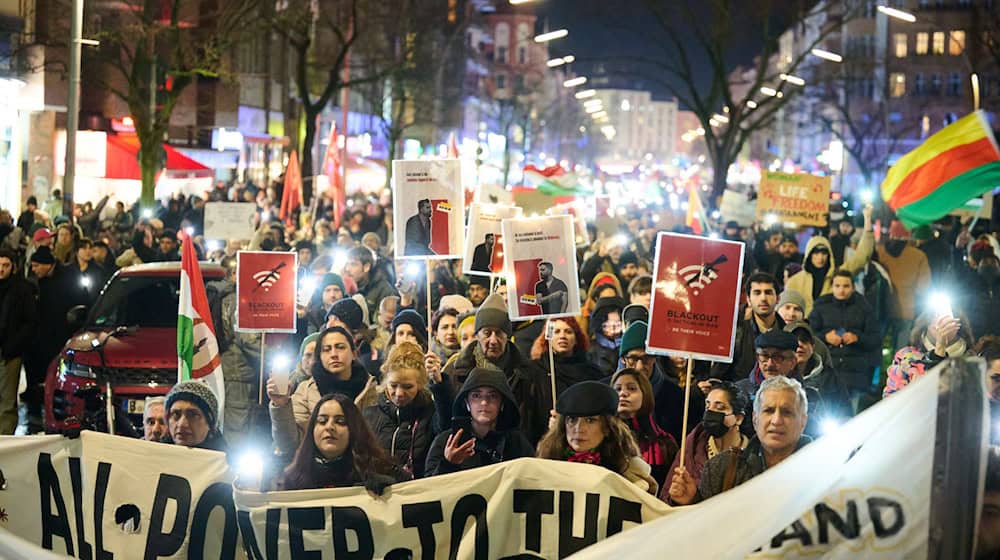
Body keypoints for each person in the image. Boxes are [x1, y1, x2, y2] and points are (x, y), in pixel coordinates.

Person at [668, 376, 811, 505]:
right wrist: (692, 501)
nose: (776, 420)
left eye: (787, 412)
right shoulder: (721, 467)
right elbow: (706, 525)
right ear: (755, 419)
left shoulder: (824, 472)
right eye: (769, 410)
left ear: (803, 421)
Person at [442, 294, 551, 443]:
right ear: (477, 335)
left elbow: (539, 421)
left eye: (499, 333)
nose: (493, 340)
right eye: (487, 333)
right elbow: (445, 421)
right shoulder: (456, 371)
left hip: (515, 452)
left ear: (507, 335)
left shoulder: (528, 373)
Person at [268, 326, 377, 457]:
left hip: (361, 469)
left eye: (340, 347)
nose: (334, 354)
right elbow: (290, 444)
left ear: (354, 354)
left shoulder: (371, 389)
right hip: (316, 469)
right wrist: (281, 405)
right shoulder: (306, 391)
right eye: (327, 349)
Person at [537, 380, 658, 494]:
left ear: (607, 428)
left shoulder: (629, 471)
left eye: (590, 420)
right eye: (572, 420)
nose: (579, 429)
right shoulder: (547, 463)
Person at [275, 393, 400, 493]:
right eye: (322, 421)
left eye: (340, 421)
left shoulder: (383, 470)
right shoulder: (292, 478)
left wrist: (391, 492)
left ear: (354, 429)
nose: (329, 427)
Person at [424, 367, 535, 475]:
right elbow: (429, 488)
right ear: (467, 402)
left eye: (493, 396)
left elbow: (534, 480)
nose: (484, 402)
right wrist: (449, 463)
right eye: (476, 396)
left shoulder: (517, 443)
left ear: (502, 403)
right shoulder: (447, 441)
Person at [362, 342, 442, 479]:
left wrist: (440, 386)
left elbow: (445, 424)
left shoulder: (431, 414)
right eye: (393, 385)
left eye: (407, 387)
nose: (399, 393)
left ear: (420, 384)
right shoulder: (369, 416)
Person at [662, 381, 749, 503]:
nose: (710, 413)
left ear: (738, 418)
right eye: (708, 407)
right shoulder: (692, 446)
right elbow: (666, 495)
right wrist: (679, 499)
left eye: (720, 408)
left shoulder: (752, 456)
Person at [807, 269, 880, 408]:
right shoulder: (821, 307)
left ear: (853, 287)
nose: (841, 290)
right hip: (827, 370)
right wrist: (825, 337)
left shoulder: (864, 309)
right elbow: (808, 333)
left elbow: (875, 338)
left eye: (846, 286)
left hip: (855, 373)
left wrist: (857, 338)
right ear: (832, 287)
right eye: (837, 286)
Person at [785, 205, 874, 315]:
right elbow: (786, 309)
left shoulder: (837, 276)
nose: (820, 257)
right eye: (816, 253)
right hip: (802, 329)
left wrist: (868, 221)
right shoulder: (795, 281)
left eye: (824, 253)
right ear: (808, 255)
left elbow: (862, 256)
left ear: (829, 255)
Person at [709, 272, 785, 382]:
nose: (763, 298)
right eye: (757, 293)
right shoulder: (735, 333)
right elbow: (718, 376)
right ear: (748, 300)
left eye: (768, 292)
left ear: (778, 298)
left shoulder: (788, 332)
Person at [612, 369, 678, 490]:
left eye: (631, 388)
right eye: (617, 389)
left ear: (645, 394)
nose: (623, 393)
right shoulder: (604, 438)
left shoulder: (665, 443)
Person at [883, 310, 973, 397]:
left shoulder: (971, 359)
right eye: (934, 316)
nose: (939, 321)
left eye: (946, 317)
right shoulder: (906, 356)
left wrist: (941, 347)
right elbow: (891, 398)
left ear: (957, 325)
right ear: (926, 323)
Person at [877, 221, 932, 349]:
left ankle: (877, 369)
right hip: (906, 309)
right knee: (900, 350)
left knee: (876, 347)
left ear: (891, 234)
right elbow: (923, 287)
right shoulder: (918, 255)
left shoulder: (879, 252)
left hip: (881, 307)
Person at [0, 249, 36, 434]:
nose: (1, 270)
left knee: (7, 401)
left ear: (13, 267)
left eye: (5, 265)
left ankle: (3, 441)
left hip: (9, 351)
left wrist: (14, 344)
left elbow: (29, 321)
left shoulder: (20, 289)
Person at [529, 317, 603, 397]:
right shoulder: (536, 370)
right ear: (548, 339)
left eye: (568, 332)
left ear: (576, 339)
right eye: (556, 332)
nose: (562, 336)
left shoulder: (592, 372)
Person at [161, 381, 227, 452]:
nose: (182, 424)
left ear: (210, 424)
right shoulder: (154, 458)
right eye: (176, 415)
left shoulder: (226, 462)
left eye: (193, 415)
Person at [343, 246, 397, 319]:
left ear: (366, 267)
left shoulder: (383, 290)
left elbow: (383, 323)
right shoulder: (345, 286)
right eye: (347, 264)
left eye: (353, 264)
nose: (347, 269)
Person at [587, 296, 625, 375]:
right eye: (606, 325)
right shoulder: (592, 351)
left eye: (617, 325)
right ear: (599, 325)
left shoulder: (627, 346)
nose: (612, 330)